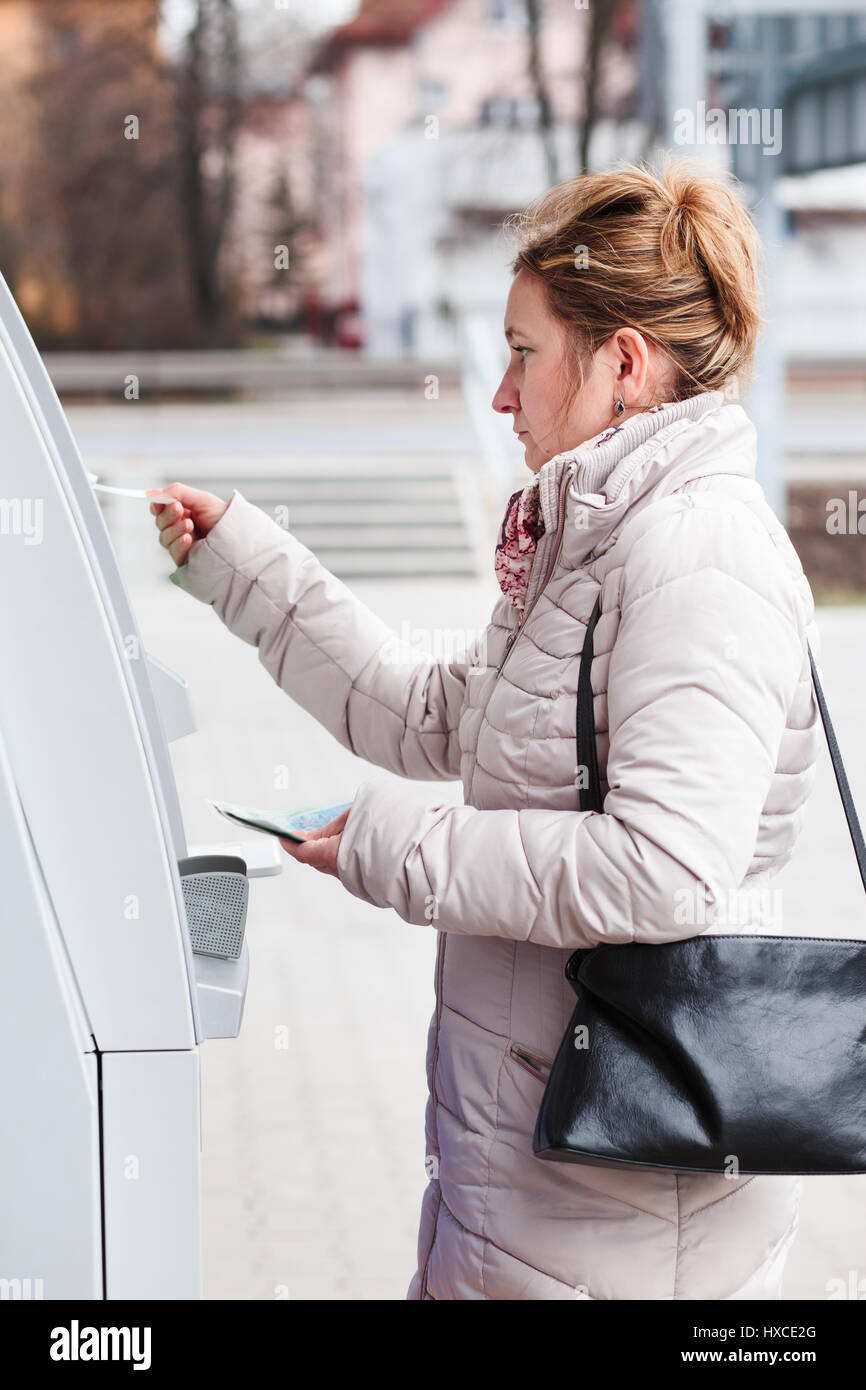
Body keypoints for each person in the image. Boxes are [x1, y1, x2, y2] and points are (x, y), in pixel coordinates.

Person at [151, 157, 820, 1300]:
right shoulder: (593, 544)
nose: (501, 394)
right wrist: (243, 565)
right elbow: (429, 715)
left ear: (621, 364)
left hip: (614, 1203)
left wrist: (390, 844)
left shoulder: (693, 556)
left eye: (522, 352)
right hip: (542, 1173)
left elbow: (661, 870)